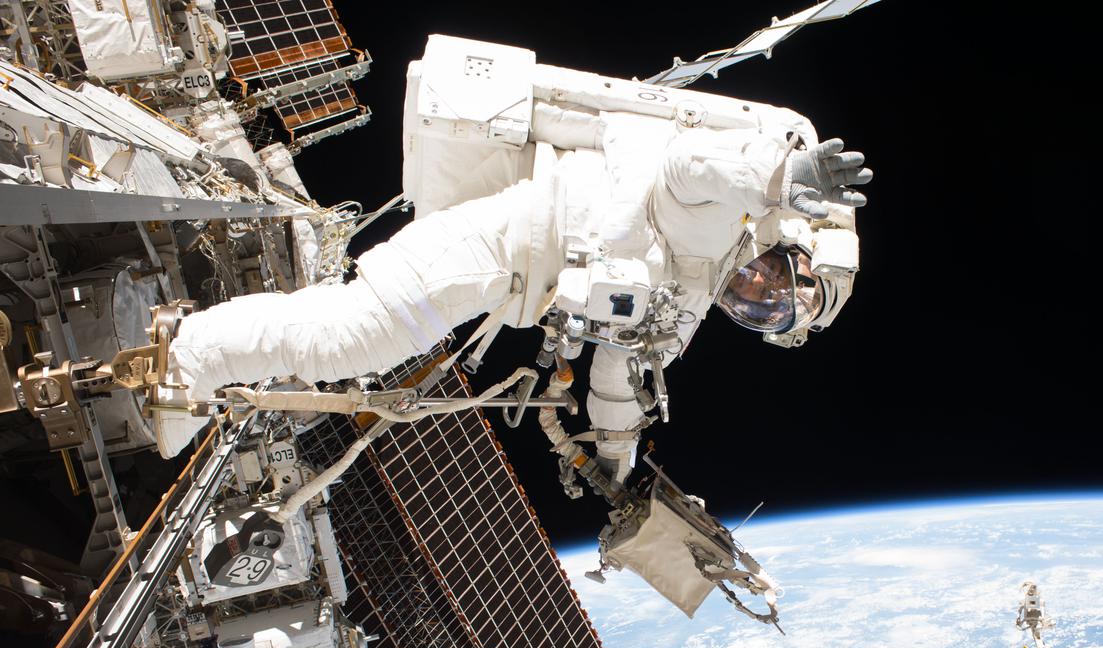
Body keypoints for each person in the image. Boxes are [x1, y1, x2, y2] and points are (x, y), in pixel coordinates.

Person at [155, 126, 871, 477]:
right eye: (783, 281)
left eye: (772, 312)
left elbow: (617, 377)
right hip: (501, 238)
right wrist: (779, 176)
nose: (760, 293)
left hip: (505, 279)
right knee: (352, 338)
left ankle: (193, 363)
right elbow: (688, 166)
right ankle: (190, 356)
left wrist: (616, 465)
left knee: (352, 344)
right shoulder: (719, 220)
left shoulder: (684, 301)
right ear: (789, 241)